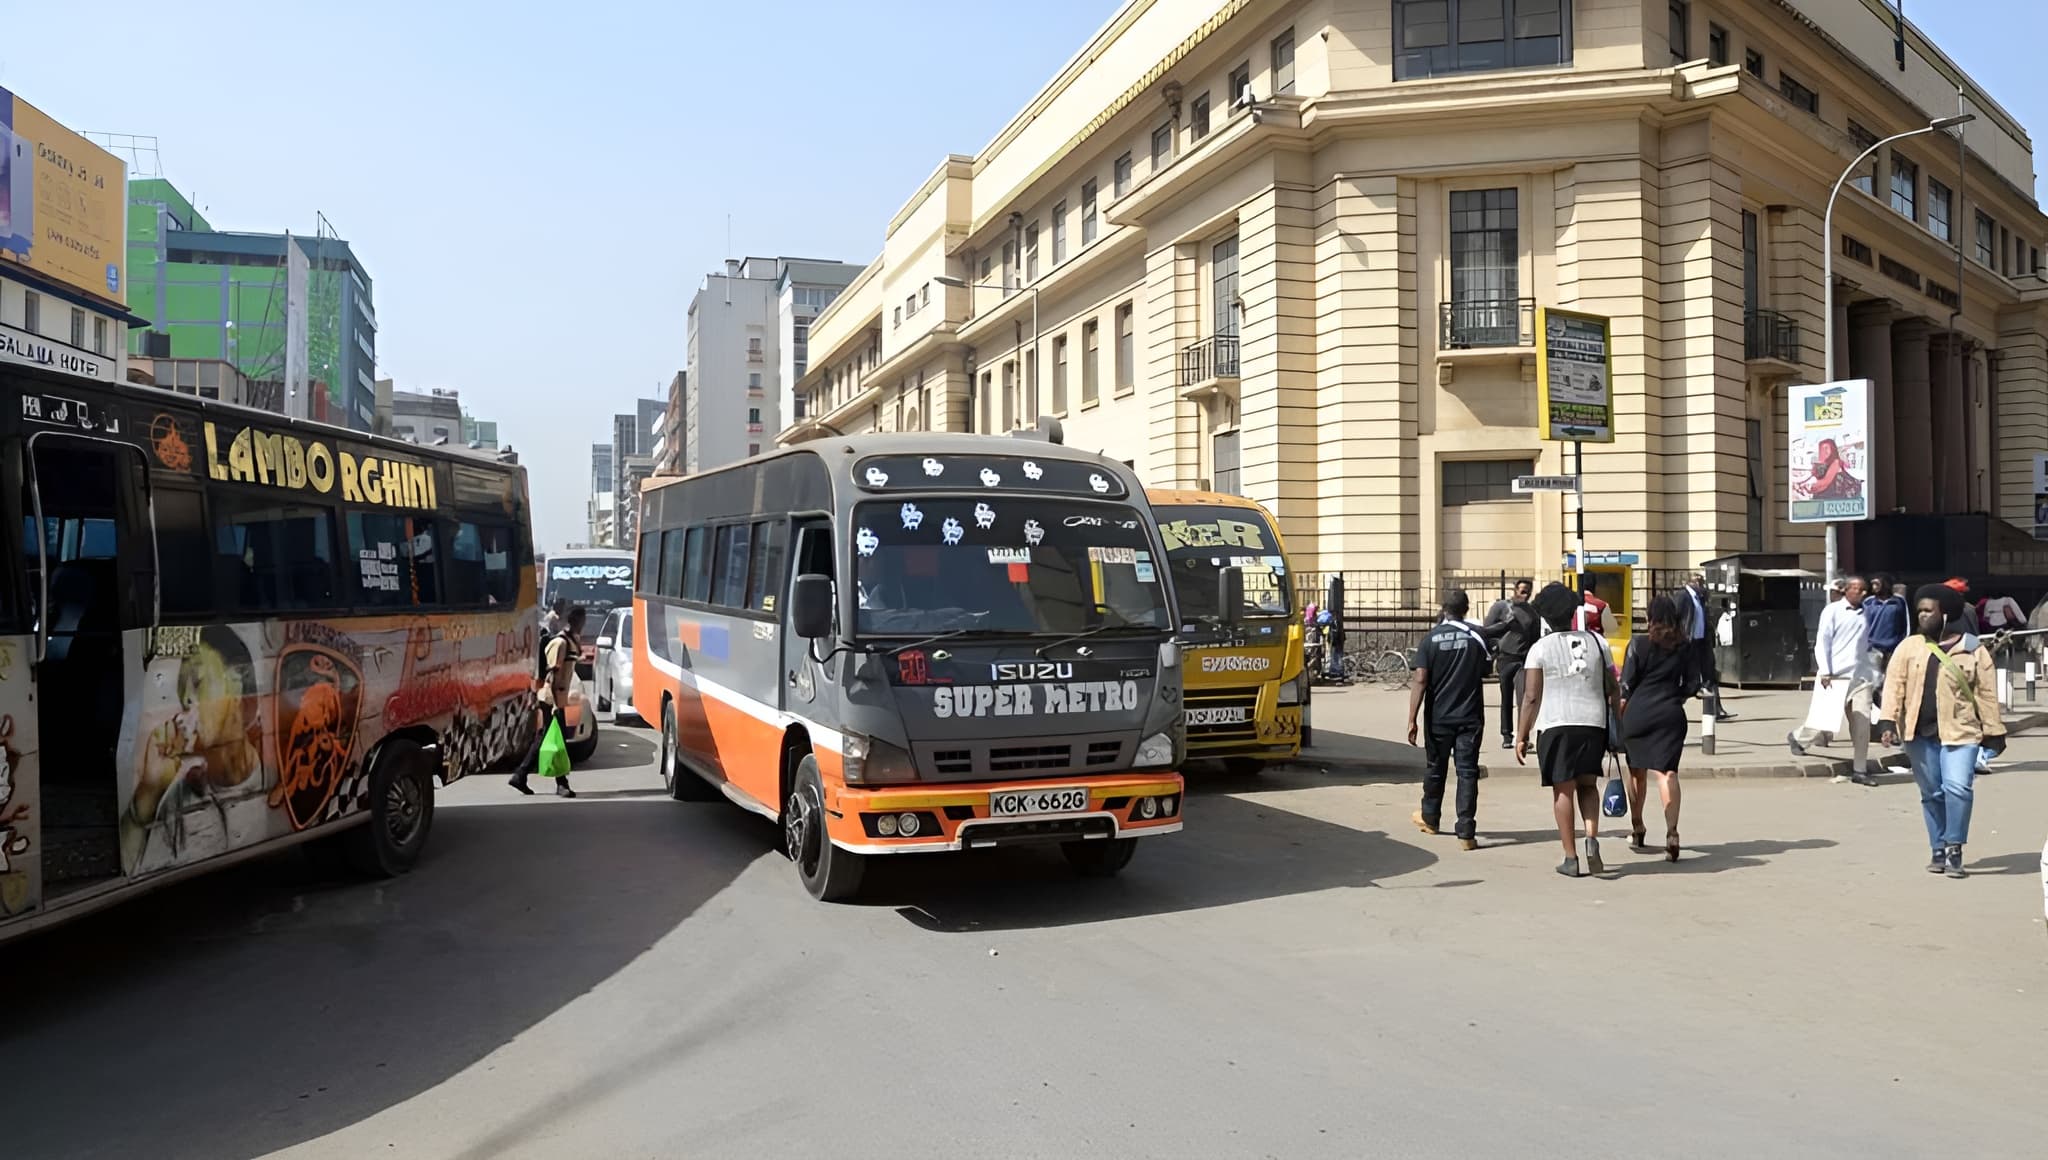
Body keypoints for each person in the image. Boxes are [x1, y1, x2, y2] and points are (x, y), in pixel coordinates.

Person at [1878, 584, 2005, 879]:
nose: (1922, 615)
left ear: (1945, 614)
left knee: (1958, 789)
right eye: (1919, 610)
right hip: (1918, 735)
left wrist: (1994, 731)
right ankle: (1937, 847)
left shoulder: (1973, 649)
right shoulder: (1909, 647)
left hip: (1961, 733)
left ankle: (1954, 847)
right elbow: (1893, 686)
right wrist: (1887, 721)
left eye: (1928, 610)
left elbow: (1986, 693)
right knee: (1932, 793)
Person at [1516, 582, 1619, 878]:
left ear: (1546, 617)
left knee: (1563, 789)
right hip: (1593, 722)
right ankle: (1591, 838)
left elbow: (1531, 697)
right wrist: (1615, 722)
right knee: (1588, 785)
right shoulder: (1598, 643)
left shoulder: (1539, 649)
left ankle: (1570, 857)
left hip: (1555, 724)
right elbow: (1613, 687)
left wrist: (1522, 735)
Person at [1618, 595, 1700, 862]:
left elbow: (1626, 687)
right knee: (1667, 774)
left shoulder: (1638, 644)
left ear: (1650, 617)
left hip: (1637, 715)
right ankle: (1672, 833)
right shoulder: (1683, 646)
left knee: (1637, 773)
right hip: (1670, 714)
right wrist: (1674, 697)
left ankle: (1638, 826)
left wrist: (1618, 720)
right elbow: (1692, 684)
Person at [1407, 590, 1490, 850]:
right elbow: (1486, 670)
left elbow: (1420, 679)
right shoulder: (1476, 636)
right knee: (1467, 772)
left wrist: (1412, 719)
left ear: (1444, 608)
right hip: (1470, 716)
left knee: (1435, 766)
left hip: (1439, 717)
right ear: (1466, 608)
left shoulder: (1430, 639)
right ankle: (1466, 831)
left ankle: (1430, 818)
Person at [1788, 576, 1876, 785]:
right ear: (1846, 590)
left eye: (1865, 590)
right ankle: (1799, 738)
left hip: (1861, 676)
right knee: (1824, 720)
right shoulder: (1832, 611)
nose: (1862, 593)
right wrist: (1825, 671)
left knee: (1862, 722)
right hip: (1835, 677)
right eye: (1857, 589)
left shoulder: (1868, 612)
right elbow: (1823, 642)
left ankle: (1860, 770)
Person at [514, 605, 585, 798]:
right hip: (551, 699)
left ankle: (521, 775)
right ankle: (560, 783)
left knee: (547, 738)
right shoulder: (560, 643)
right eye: (581, 621)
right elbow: (551, 674)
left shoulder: (570, 641)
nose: (583, 625)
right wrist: (554, 705)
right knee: (554, 739)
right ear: (573, 621)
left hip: (558, 699)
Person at [1484, 579, 1539, 751]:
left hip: (1523, 659)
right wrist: (1495, 646)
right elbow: (1487, 628)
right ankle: (1506, 735)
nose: (1525, 594)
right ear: (1515, 590)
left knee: (1524, 697)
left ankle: (1523, 735)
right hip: (1505, 658)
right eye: (1523, 591)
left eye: (1528, 591)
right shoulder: (1502, 607)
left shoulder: (1532, 612)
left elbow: (1535, 636)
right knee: (1506, 698)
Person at [1676, 573, 1734, 720]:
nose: (1702, 585)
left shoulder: (1700, 598)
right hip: (1689, 642)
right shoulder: (1683, 596)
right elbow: (1677, 617)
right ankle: (1674, 707)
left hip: (1702, 641)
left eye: (1702, 582)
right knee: (1689, 679)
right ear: (1690, 583)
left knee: (1710, 675)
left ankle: (1716, 709)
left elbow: (1704, 618)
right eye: (1699, 582)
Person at [1863, 574, 1909, 707]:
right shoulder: (1868, 602)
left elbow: (1905, 624)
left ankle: (1891, 709)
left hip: (1893, 648)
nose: (1874, 587)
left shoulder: (1899, 602)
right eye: (1872, 584)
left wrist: (1902, 644)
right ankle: (1873, 712)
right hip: (1873, 648)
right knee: (1873, 681)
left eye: (1877, 584)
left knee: (1892, 680)